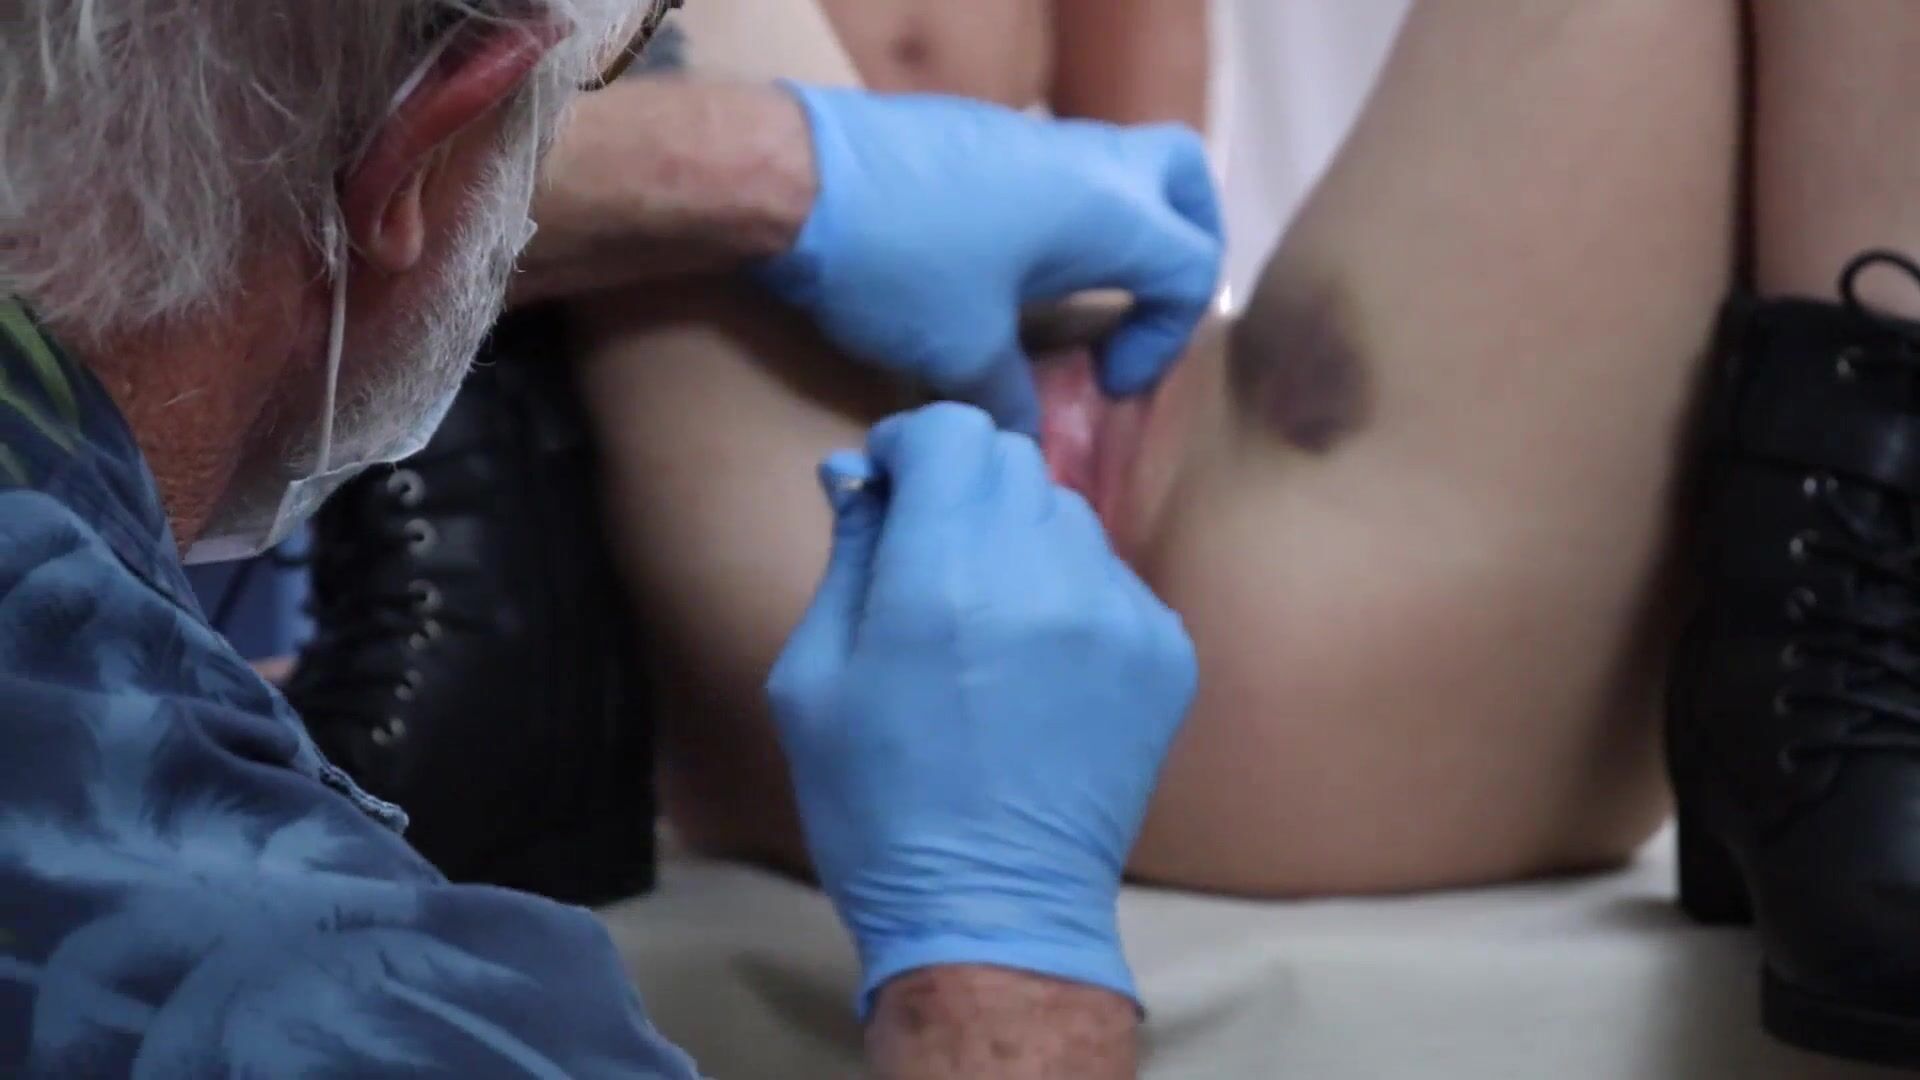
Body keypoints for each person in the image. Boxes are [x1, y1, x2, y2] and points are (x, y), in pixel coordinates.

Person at [0, 2, 1222, 1076]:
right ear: (420, 154)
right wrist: (1009, 974)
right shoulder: (294, 986)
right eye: (623, 66)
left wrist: (769, 169)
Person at [284, 0, 1211, 905]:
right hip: (571, 438)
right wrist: (764, 169)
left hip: (969, 314)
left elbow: (1142, 212)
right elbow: (231, 202)